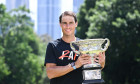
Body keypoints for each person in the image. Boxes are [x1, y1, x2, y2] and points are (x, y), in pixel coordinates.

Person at [44, 11, 105, 84]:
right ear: (60, 24)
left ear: (76, 24)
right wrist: (75, 65)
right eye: (64, 23)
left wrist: (101, 64)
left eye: (71, 23)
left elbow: (92, 69)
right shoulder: (53, 46)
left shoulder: (85, 46)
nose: (68, 26)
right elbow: (50, 73)